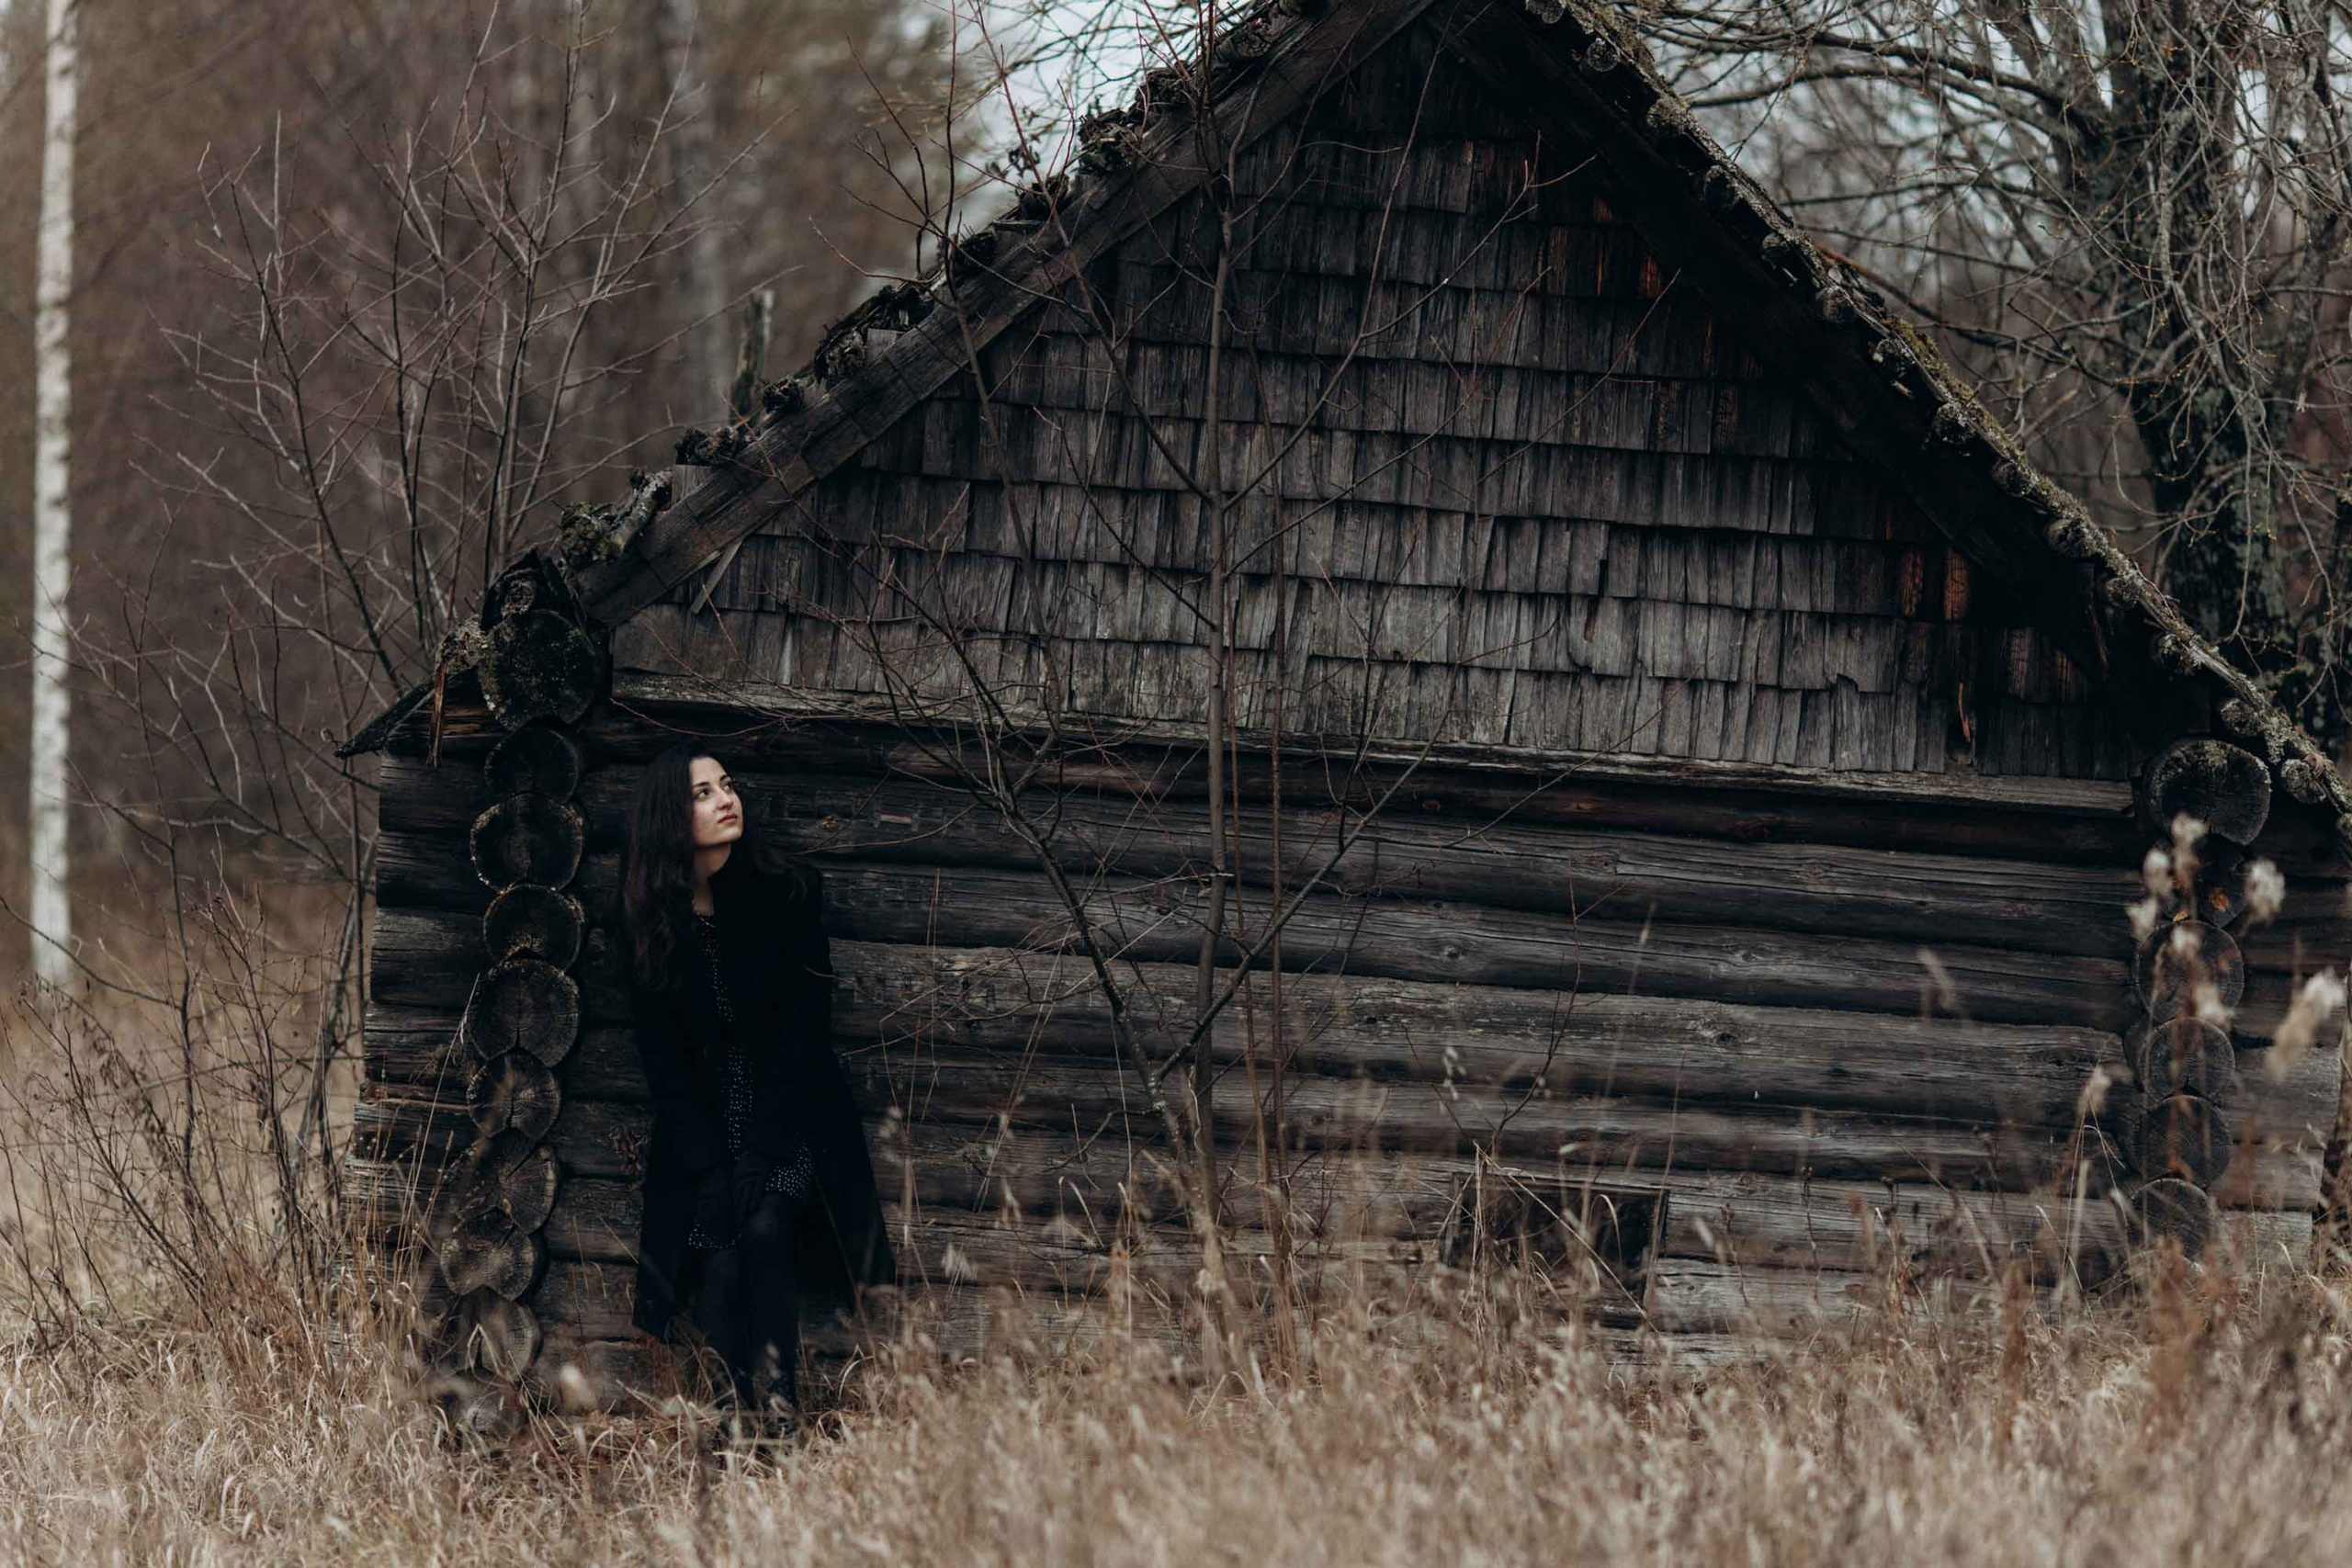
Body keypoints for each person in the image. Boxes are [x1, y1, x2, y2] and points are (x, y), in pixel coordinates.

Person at [617, 743, 894, 1438]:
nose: (724, 798)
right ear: (667, 819)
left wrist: (758, 1152)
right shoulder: (650, 920)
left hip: (789, 1110)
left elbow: (805, 1033)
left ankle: (781, 1412)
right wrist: (712, 1165)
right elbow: (664, 1060)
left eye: (726, 784)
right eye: (703, 792)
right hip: (706, 1122)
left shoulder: (787, 894)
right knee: (717, 1239)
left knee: (767, 1224)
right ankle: (728, 1416)